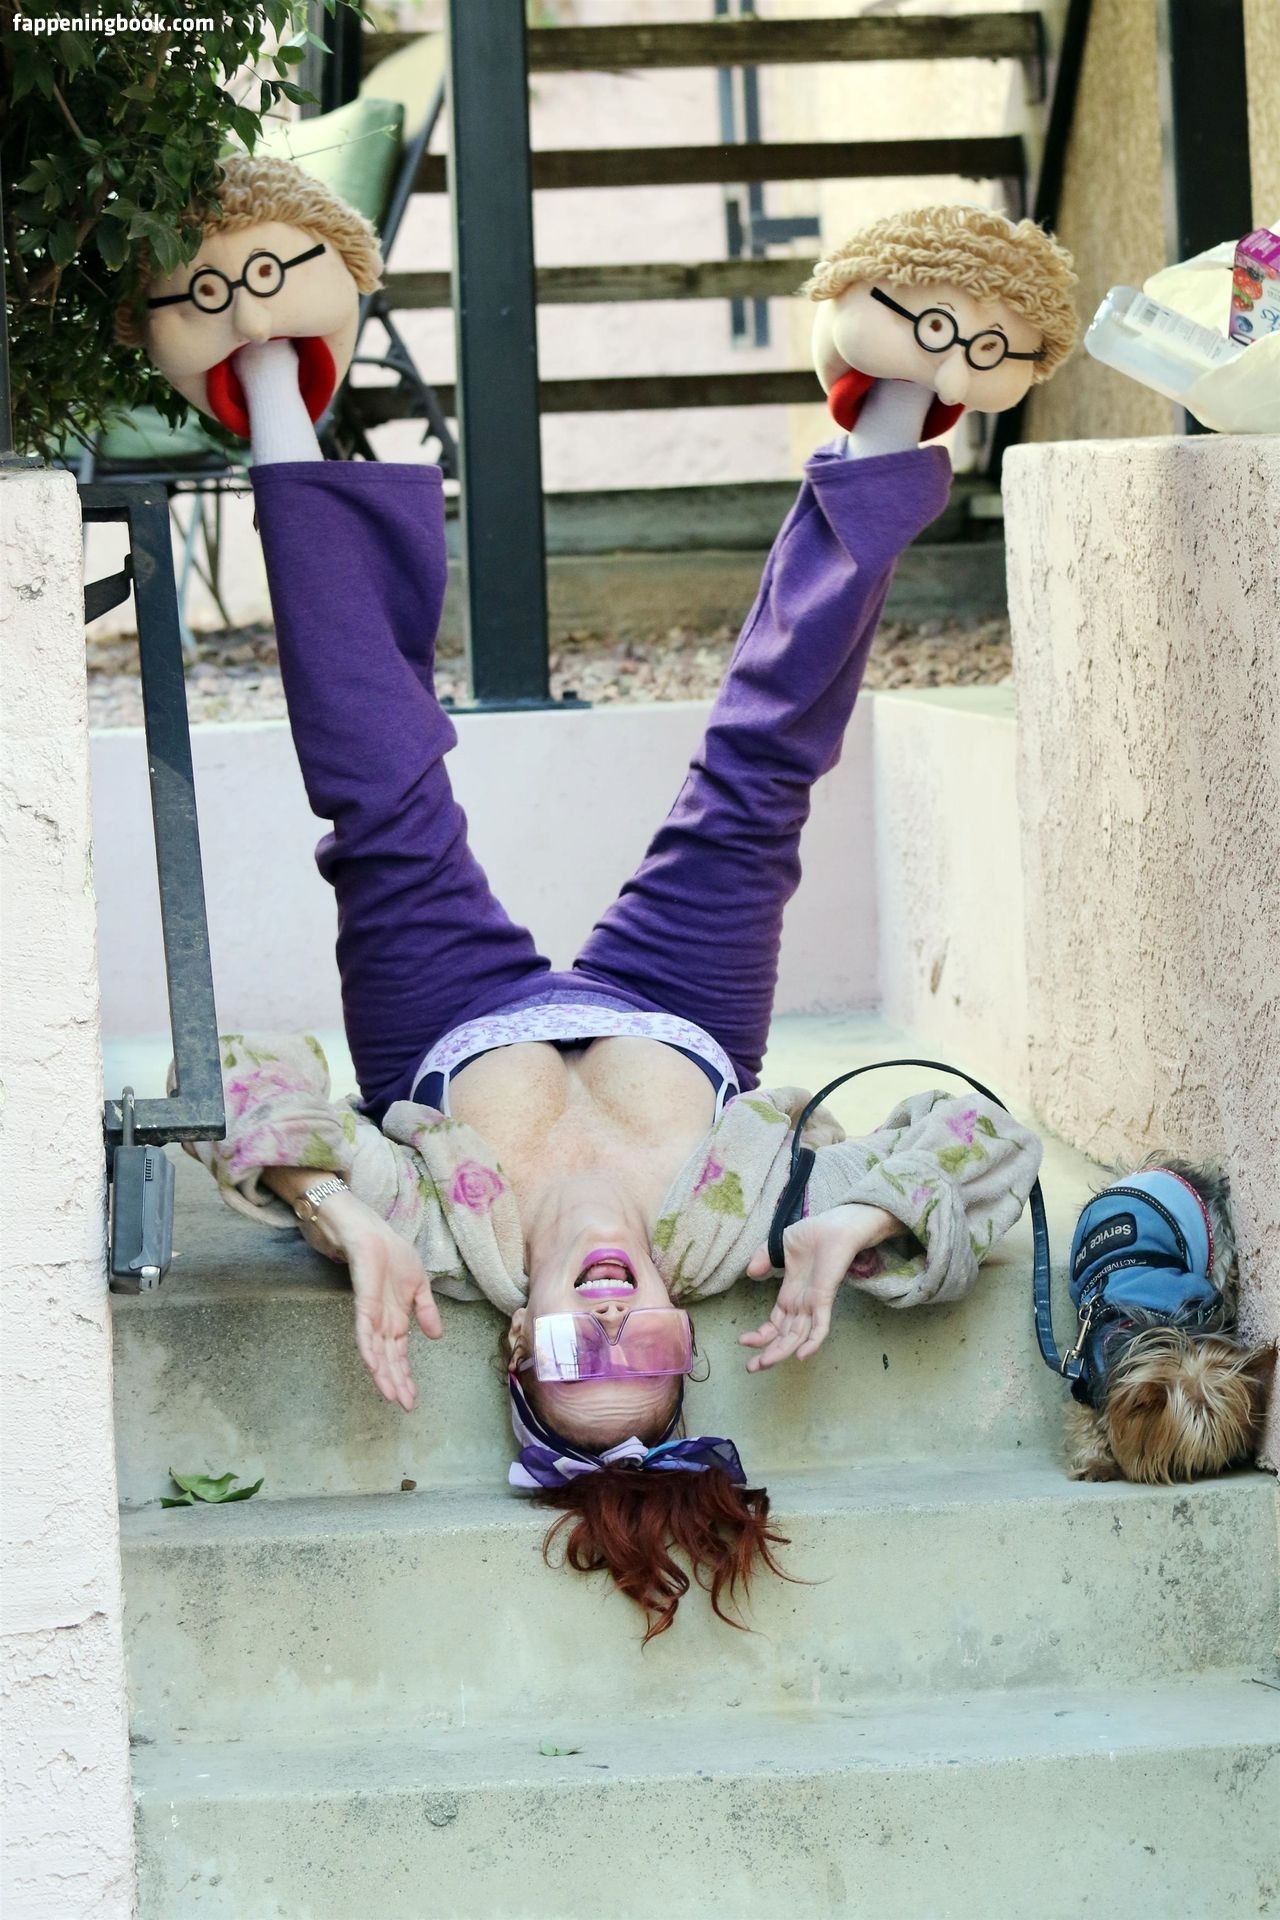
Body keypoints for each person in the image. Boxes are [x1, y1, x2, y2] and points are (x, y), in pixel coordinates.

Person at [130, 166, 1069, 1634]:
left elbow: (244, 1080)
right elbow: (986, 1138)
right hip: (678, 1012)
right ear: (694, 1333)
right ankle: (903, 379)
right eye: (653, 1353)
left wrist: (343, 1216)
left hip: (448, 1025)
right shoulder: (741, 1231)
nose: (618, 1317)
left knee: (374, 782)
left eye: (579, 1353)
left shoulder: (451, 1242)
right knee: (761, 769)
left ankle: (268, 361)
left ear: (518, 1348)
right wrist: (870, 1219)